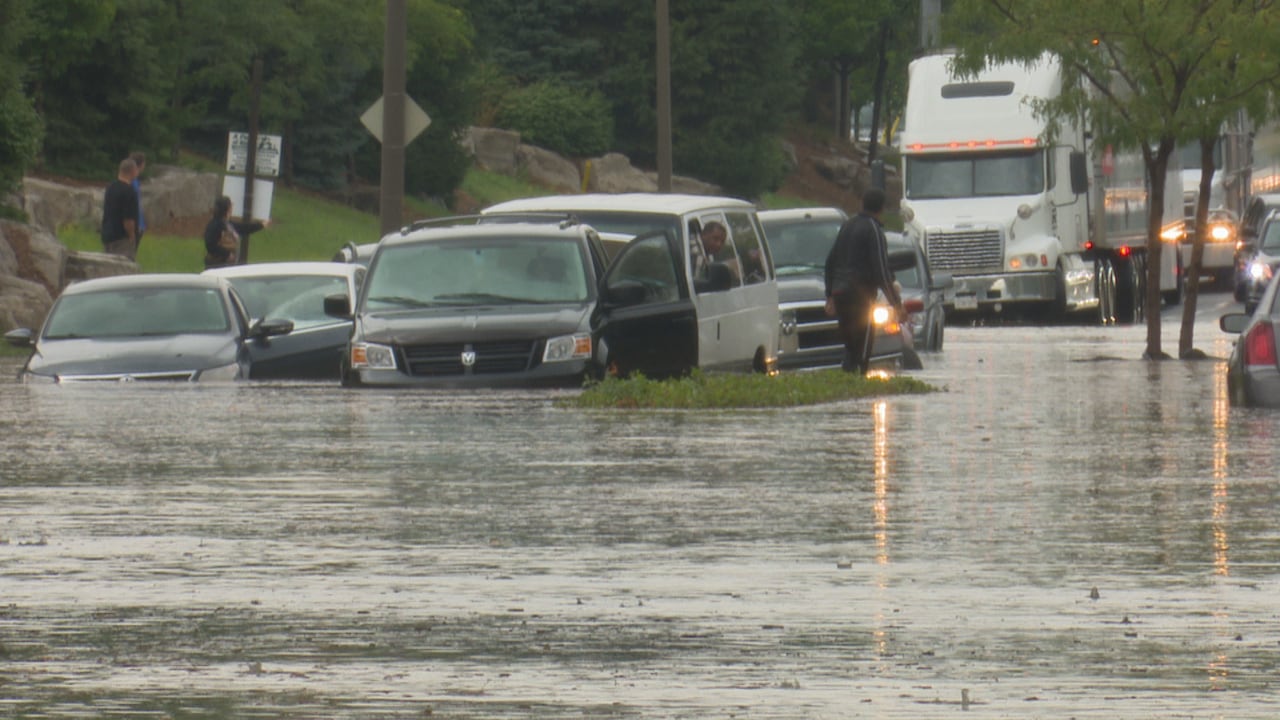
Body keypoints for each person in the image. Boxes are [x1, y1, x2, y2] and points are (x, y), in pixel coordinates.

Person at [824, 187, 905, 374]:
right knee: (862, 349)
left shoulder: (847, 226)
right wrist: (897, 305)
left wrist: (830, 296)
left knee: (850, 348)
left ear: (862, 203)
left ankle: (848, 385)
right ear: (882, 209)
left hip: (840, 295)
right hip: (860, 298)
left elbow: (830, 263)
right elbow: (881, 272)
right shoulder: (873, 230)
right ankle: (858, 383)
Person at [203, 195, 266, 269]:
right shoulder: (215, 224)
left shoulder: (227, 223)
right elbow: (210, 245)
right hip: (217, 265)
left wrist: (261, 225)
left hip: (228, 265)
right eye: (230, 205)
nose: (232, 207)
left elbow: (243, 228)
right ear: (227, 208)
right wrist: (227, 254)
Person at [100, 158, 139, 259]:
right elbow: (128, 219)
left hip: (108, 235)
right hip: (122, 239)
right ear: (133, 171)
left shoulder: (110, 187)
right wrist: (131, 235)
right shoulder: (129, 192)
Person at [129, 151, 147, 249]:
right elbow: (135, 205)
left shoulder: (134, 181)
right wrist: (139, 224)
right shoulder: (133, 183)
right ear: (141, 165)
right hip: (135, 225)